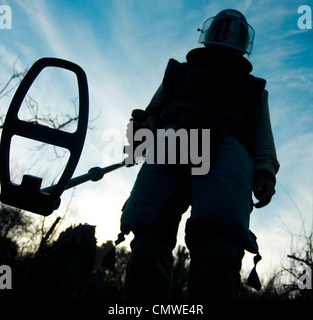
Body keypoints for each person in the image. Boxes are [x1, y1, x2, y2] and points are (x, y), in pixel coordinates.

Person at [118, 9, 280, 300]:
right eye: (221, 27)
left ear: (244, 41)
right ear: (209, 34)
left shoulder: (254, 89)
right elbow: (153, 113)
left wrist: (265, 168)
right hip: (172, 143)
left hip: (229, 153)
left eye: (234, 30)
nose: (226, 33)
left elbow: (262, 135)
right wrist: (141, 131)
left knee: (219, 245)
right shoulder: (179, 73)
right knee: (148, 239)